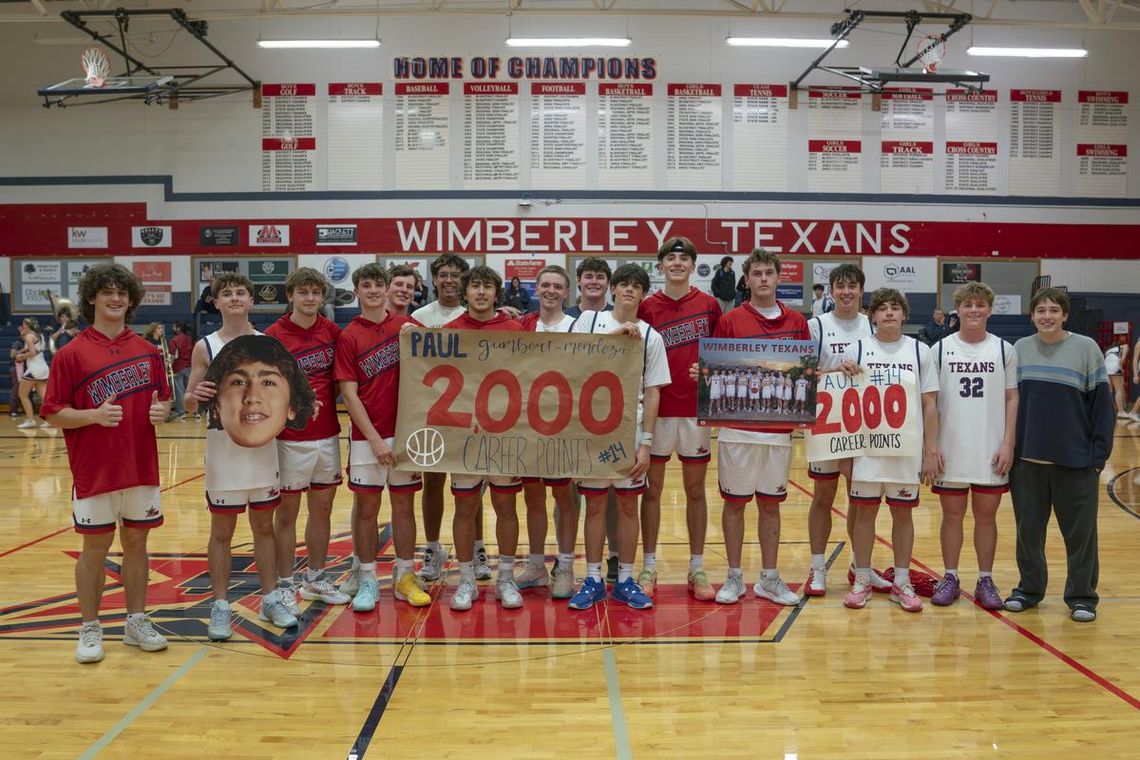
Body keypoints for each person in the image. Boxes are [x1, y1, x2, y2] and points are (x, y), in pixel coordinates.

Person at [42, 264, 171, 663]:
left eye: (122, 293)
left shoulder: (148, 351)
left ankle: (135, 621)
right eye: (107, 292)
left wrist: (163, 412)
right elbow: (53, 412)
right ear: (92, 298)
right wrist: (93, 416)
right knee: (94, 548)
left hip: (140, 467)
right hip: (94, 470)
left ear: (131, 301)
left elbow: (163, 402)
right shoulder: (71, 353)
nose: (115, 299)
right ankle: (89, 626)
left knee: (137, 544)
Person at [184, 273, 298, 641]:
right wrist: (195, 396)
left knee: (264, 528)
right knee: (222, 532)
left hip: (262, 447)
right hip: (223, 449)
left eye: (240, 293)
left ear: (251, 301)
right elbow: (188, 403)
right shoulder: (205, 346)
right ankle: (220, 605)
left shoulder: (269, 345)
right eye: (227, 293)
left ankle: (270, 598)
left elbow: (282, 395)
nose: (234, 298)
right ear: (216, 302)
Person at [705, 249, 809, 607]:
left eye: (769, 273)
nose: (763, 278)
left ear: (779, 277)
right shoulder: (730, 320)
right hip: (736, 432)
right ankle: (734, 576)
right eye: (757, 273)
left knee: (770, 506)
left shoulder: (797, 322)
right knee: (734, 504)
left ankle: (769, 578)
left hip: (778, 433)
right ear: (746, 280)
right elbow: (716, 368)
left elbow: (806, 372)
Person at [1004, 287, 1114, 623]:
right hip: (1028, 463)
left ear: (1065, 314)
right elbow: (1009, 404)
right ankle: (1029, 589)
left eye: (1054, 310)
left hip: (1076, 463)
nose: (1047, 316)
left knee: (1081, 536)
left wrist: (1097, 457)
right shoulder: (1019, 349)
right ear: (1032, 316)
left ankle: (1082, 596)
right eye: (1040, 311)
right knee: (1028, 534)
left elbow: (1102, 407)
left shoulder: (1086, 348)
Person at [567, 264, 670, 611]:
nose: (629, 290)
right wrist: (614, 337)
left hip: (631, 427)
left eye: (636, 286)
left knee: (628, 505)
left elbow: (653, 392)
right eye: (623, 284)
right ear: (613, 289)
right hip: (591, 427)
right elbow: (572, 361)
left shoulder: (652, 336)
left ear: (643, 294)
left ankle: (625, 579)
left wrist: (646, 443)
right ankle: (592, 579)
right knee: (594, 505)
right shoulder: (589, 320)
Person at [335, 264, 430, 612]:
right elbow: (349, 393)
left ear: (387, 289)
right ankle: (368, 578)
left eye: (378, 284)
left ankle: (405, 576)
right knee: (367, 510)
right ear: (357, 291)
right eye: (367, 285)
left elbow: (436, 370)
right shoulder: (349, 336)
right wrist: (374, 439)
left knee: (404, 508)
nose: (373, 290)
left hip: (406, 436)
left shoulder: (408, 328)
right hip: (367, 438)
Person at [842, 288, 941, 613]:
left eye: (895, 308)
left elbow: (930, 404)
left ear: (904, 314)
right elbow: (843, 401)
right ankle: (862, 578)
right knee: (864, 514)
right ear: (872, 315)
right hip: (866, 449)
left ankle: (901, 580)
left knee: (903, 514)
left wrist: (930, 451)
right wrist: (844, 453)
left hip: (905, 450)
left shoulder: (920, 351)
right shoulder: (856, 349)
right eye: (882, 308)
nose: (888, 313)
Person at [637, 237, 721, 601]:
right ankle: (649, 565)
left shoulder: (709, 305)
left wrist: (710, 368)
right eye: (670, 258)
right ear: (660, 266)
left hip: (695, 411)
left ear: (692, 264)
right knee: (651, 491)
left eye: (683, 258)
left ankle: (697, 566)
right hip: (656, 411)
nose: (676, 263)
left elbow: (722, 355)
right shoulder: (646, 307)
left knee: (695, 492)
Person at [266, 268, 352, 614]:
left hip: (327, 434)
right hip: (289, 439)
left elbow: (340, 380)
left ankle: (316, 578)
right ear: (290, 296)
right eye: (303, 292)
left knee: (322, 510)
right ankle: (286, 583)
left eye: (316, 292)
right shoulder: (273, 336)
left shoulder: (332, 332)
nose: (310, 298)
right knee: (287, 514)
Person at [444, 266, 528, 611]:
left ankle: (506, 578)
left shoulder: (515, 330)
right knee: (465, 507)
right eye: (475, 286)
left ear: (497, 293)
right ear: (465, 292)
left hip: (506, 434)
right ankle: (466, 579)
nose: (481, 292)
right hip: (464, 435)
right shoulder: (449, 332)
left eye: (487, 286)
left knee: (506, 506)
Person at [929, 282, 1018, 610]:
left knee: (986, 516)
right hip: (950, 448)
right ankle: (950, 577)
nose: (974, 310)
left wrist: (1008, 443)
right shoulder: (940, 349)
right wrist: (931, 446)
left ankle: (985, 579)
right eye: (968, 305)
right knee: (951, 516)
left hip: (990, 449)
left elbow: (1012, 398)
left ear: (990, 309)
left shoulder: (1004, 350)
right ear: (958, 310)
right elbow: (929, 401)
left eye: (980, 305)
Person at [411, 254, 491, 582]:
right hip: (434, 411)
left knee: (472, 485)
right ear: (434, 279)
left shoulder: (477, 314)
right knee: (432, 482)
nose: (449, 280)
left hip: (471, 412)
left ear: (464, 281)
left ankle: (478, 547)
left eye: (455, 275)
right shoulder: (418, 317)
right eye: (442, 274)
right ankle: (433, 549)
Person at [804, 264, 877, 598]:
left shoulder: (872, 325)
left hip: (863, 424)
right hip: (827, 421)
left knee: (859, 498)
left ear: (861, 290)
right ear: (831, 291)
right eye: (840, 286)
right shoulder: (816, 326)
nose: (846, 291)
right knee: (823, 496)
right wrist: (835, 370)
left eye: (852, 286)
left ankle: (859, 565)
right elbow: (803, 373)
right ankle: (817, 568)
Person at [515, 265, 580, 599]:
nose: (551, 291)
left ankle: (565, 566)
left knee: (565, 497)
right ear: (536, 289)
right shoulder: (523, 325)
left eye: (557, 286)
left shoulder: (578, 327)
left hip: (565, 424)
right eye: (545, 285)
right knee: (533, 497)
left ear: (566, 292)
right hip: (528, 423)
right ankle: (537, 565)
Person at [16, 317, 50, 429]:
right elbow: (36, 349)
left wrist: (22, 356)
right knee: (44, 396)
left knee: (22, 394)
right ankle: (49, 420)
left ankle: (30, 420)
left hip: (34, 368)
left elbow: (33, 352)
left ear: (27, 326)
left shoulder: (29, 336)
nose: (22, 327)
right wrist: (23, 351)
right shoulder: (39, 335)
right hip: (43, 368)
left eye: (23, 325)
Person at [168, 322, 193, 419]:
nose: (173, 328)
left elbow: (173, 355)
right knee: (191, 390)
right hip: (190, 366)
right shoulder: (190, 339)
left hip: (178, 367)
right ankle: (196, 412)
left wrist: (169, 367)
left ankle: (181, 413)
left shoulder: (174, 340)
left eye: (174, 326)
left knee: (179, 391)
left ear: (178, 328)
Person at [1104, 337, 1129, 417]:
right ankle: (1121, 412)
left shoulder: (1108, 351)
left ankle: (1112, 410)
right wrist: (1123, 358)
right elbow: (1126, 347)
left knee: (1110, 391)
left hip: (1106, 368)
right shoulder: (1122, 346)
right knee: (1119, 390)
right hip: (1115, 365)